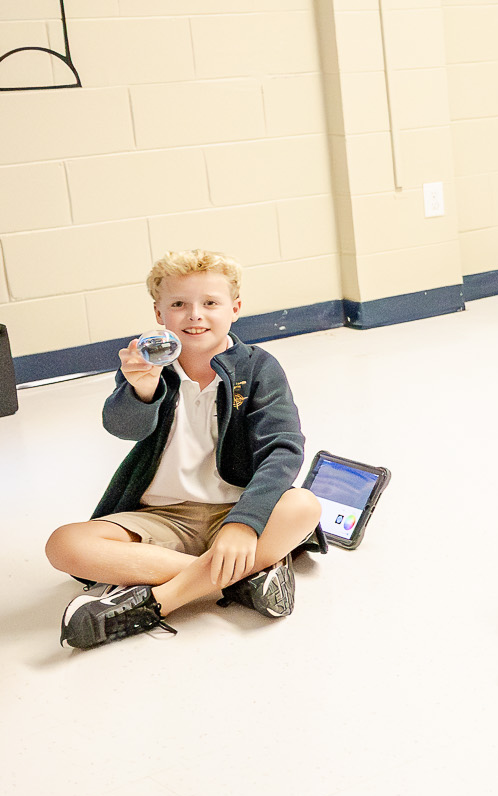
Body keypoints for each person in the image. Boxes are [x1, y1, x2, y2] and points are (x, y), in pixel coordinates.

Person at [46, 250, 323, 648]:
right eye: (179, 304)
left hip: (235, 507)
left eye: (210, 303)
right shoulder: (145, 366)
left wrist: (243, 523)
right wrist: (141, 388)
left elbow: (283, 449)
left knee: (305, 507)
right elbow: (122, 428)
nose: (195, 314)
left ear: (235, 309)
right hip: (160, 516)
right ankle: (242, 578)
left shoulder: (258, 367)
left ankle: (160, 601)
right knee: (64, 544)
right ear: (159, 313)